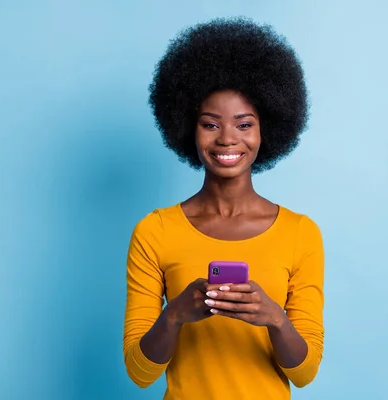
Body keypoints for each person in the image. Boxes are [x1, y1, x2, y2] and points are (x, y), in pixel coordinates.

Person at [122, 17, 324, 400]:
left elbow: (305, 373)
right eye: (210, 124)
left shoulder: (301, 233)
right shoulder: (155, 231)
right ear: (187, 128)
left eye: (244, 124)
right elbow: (139, 372)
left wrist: (274, 319)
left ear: (267, 130)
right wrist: (176, 314)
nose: (228, 138)